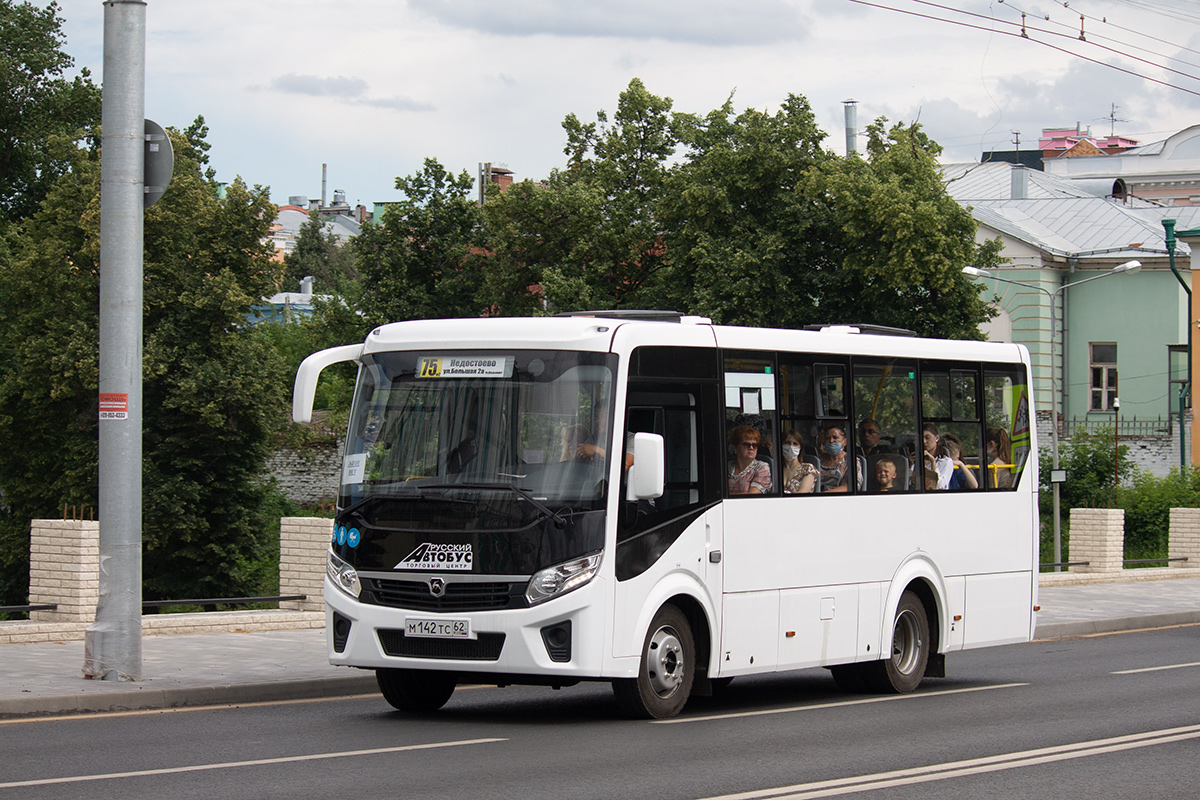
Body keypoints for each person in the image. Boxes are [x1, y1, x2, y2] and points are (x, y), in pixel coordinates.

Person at [575, 397, 634, 469]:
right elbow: (578, 460)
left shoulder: (629, 438)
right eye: (596, 416)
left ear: (614, 418)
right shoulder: (594, 439)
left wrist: (596, 450)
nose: (598, 421)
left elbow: (626, 464)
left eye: (603, 416)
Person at [728, 424, 771, 495]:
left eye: (755, 445)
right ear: (735, 447)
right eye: (746, 444)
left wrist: (726, 495)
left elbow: (752, 496)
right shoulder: (728, 467)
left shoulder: (762, 467)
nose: (751, 448)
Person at [817, 423, 856, 493]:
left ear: (844, 442)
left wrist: (823, 495)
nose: (831, 441)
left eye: (835, 437)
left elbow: (849, 487)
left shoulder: (851, 461)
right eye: (827, 438)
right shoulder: (818, 461)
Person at [780, 428, 817, 494]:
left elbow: (803, 493)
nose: (791, 446)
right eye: (787, 443)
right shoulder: (776, 469)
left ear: (800, 448)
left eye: (795, 444)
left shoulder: (807, 469)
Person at [921, 422, 954, 490]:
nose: (924, 441)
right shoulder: (918, 461)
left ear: (937, 438)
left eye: (927, 438)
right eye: (922, 438)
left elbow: (941, 486)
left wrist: (933, 462)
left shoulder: (945, 462)